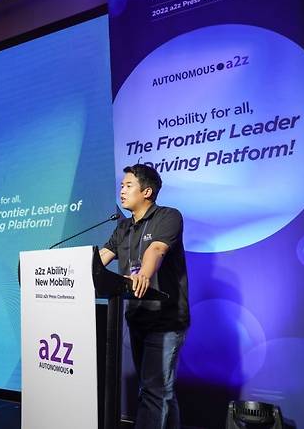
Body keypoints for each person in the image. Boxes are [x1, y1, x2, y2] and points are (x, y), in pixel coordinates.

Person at [99, 163, 190, 429]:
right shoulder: (122, 228)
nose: (122, 190)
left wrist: (144, 275)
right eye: (121, 186)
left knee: (154, 390)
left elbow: (156, 249)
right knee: (159, 390)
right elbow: (102, 257)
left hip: (166, 319)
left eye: (128, 185)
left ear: (147, 191)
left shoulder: (168, 216)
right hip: (137, 316)